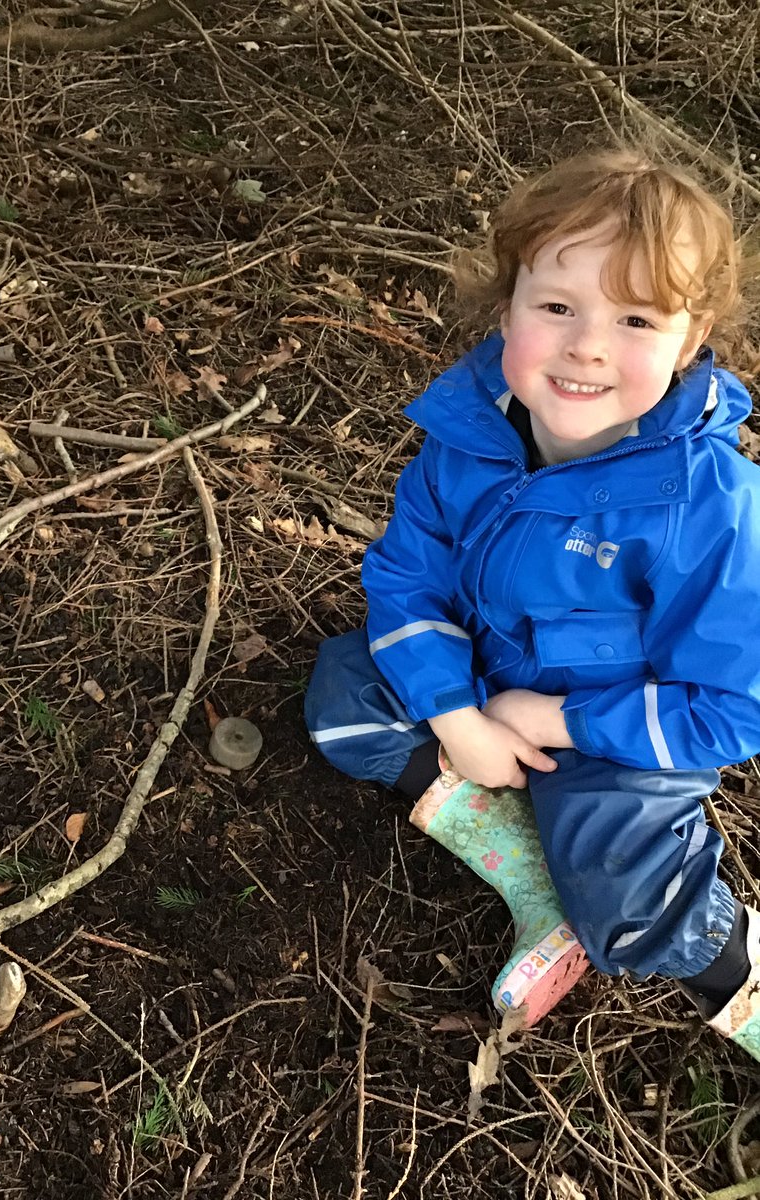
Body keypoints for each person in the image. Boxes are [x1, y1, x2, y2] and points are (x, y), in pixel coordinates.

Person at [305, 148, 760, 1059]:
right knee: (342, 698)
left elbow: (734, 710)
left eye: (636, 317)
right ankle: (529, 876)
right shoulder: (470, 432)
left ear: (692, 333)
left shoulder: (708, 506)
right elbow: (407, 576)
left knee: (626, 899)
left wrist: (555, 717)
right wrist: (455, 711)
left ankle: (738, 966)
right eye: (557, 306)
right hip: (479, 678)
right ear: (507, 301)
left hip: (614, 733)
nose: (587, 344)